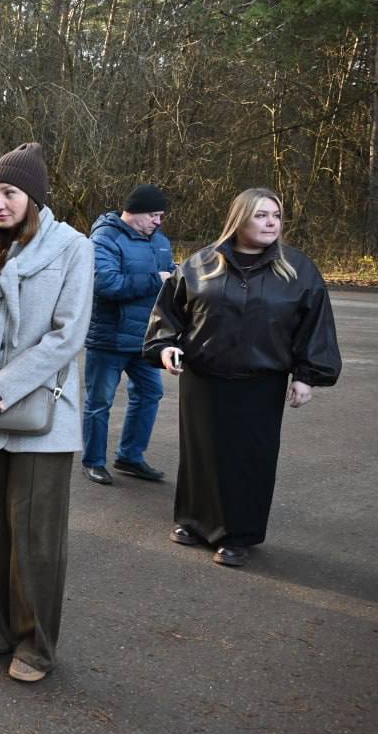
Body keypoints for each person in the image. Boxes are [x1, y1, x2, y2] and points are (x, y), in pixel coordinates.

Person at [0, 143, 94, 682]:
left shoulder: (73, 249)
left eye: (9, 192)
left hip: (42, 416)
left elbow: (66, 336)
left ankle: (33, 645)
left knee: (35, 536)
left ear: (34, 197)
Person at [144, 188, 340, 568]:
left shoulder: (298, 270)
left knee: (249, 459)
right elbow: (169, 314)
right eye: (261, 215)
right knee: (201, 453)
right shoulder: (200, 264)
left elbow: (315, 326)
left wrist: (306, 376)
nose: (271, 223)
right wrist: (165, 346)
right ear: (239, 219)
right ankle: (193, 522)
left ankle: (237, 535)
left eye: (276, 216)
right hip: (203, 379)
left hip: (260, 382)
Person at [81, 183, 174, 485]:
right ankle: (93, 461)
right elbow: (106, 284)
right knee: (100, 401)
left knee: (150, 392)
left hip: (146, 338)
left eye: (161, 216)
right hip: (109, 337)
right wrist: (156, 280)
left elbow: (170, 281)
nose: (158, 222)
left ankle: (130, 457)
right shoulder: (104, 238)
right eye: (154, 215)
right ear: (133, 212)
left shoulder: (160, 242)